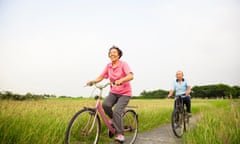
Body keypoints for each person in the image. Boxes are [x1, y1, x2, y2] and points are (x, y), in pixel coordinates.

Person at [86, 46, 134, 143]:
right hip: (113, 92)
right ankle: (114, 120)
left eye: (114, 52)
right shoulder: (108, 66)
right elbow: (102, 76)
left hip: (125, 93)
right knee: (105, 105)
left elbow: (131, 76)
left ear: (119, 54)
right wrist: (93, 81)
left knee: (117, 111)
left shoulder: (123, 64)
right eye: (110, 52)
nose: (112, 54)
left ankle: (120, 134)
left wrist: (121, 80)